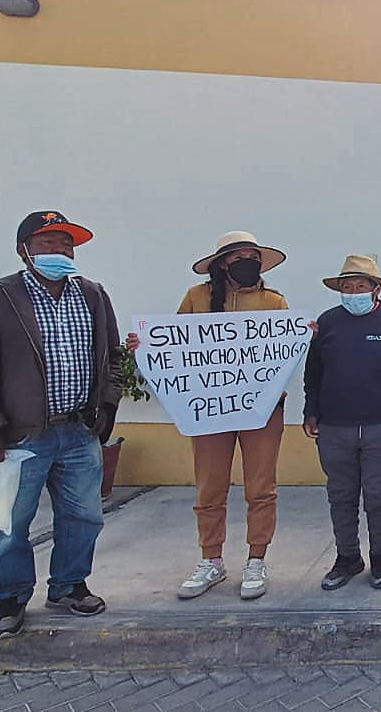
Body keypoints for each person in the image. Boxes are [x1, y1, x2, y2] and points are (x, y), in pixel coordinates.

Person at [0, 210, 121, 640]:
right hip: (22, 434)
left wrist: (105, 410)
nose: (59, 251)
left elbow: (111, 357)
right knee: (12, 523)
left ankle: (69, 586)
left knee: (85, 516)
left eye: (65, 244)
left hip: (79, 432)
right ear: (24, 250)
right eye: (47, 243)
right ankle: (9, 599)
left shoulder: (93, 295)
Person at [123, 232, 289, 601]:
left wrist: (299, 336)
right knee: (209, 487)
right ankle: (211, 559)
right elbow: (178, 343)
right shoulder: (196, 298)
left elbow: (282, 349)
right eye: (239, 256)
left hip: (261, 410)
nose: (248, 262)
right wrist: (146, 346)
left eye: (253, 256)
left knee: (261, 488)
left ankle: (256, 558)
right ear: (221, 264)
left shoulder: (274, 302)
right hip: (209, 410)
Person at [303, 255, 381, 591]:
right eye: (346, 286)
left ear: (375, 289)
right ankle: (347, 558)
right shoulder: (326, 323)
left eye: (360, 286)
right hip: (334, 428)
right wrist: (311, 412)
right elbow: (313, 375)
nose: (352, 291)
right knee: (340, 495)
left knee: (377, 496)